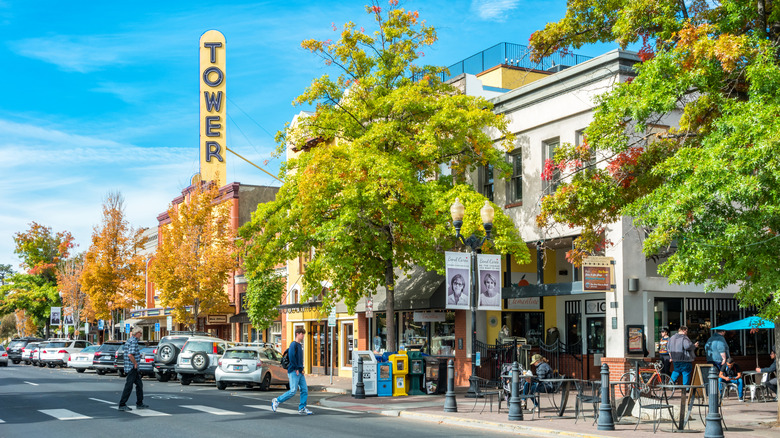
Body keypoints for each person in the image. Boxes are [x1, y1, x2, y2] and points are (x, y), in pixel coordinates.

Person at [272, 327, 312, 415]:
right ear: (297, 334)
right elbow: (292, 357)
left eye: (303, 334)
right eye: (302, 334)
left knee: (304, 390)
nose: (303, 336)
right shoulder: (293, 344)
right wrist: (296, 368)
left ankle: (302, 408)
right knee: (293, 391)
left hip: (300, 371)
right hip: (294, 371)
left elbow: (299, 359)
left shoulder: (299, 345)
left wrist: (301, 369)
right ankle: (277, 400)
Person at [118, 326, 148, 411]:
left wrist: (138, 356)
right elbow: (130, 354)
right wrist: (135, 363)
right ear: (137, 333)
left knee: (139, 384)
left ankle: (140, 403)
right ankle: (122, 404)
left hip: (131, 366)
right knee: (129, 386)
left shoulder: (130, 340)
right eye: (140, 333)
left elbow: (130, 353)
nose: (141, 335)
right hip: (132, 367)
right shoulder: (133, 341)